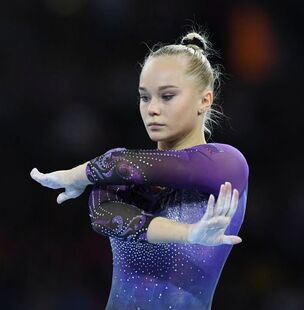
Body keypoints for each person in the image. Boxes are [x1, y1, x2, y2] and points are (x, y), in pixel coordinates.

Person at [30, 30, 249, 310]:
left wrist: (78, 174)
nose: (152, 109)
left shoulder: (227, 163)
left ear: (204, 100)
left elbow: (123, 165)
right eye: (145, 97)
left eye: (167, 96)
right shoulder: (115, 172)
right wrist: (189, 234)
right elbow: (103, 218)